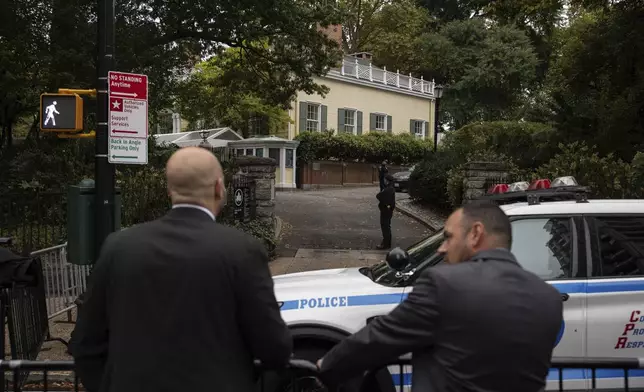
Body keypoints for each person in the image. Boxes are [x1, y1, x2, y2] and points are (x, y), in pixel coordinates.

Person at [69, 147, 293, 392]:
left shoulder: (119, 247)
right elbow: (274, 347)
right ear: (219, 188)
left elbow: (85, 344)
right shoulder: (242, 250)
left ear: (169, 191)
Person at [317, 201, 563, 392]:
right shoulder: (549, 299)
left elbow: (379, 339)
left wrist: (324, 368)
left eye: (448, 237)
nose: (442, 248)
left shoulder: (443, 283)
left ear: (476, 234)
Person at [376, 174, 395, 250]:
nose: (384, 180)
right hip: (388, 211)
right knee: (387, 226)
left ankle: (385, 244)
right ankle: (387, 243)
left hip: (386, 211)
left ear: (387, 181)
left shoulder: (388, 189)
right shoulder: (390, 188)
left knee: (385, 227)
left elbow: (379, 196)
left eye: (385, 179)